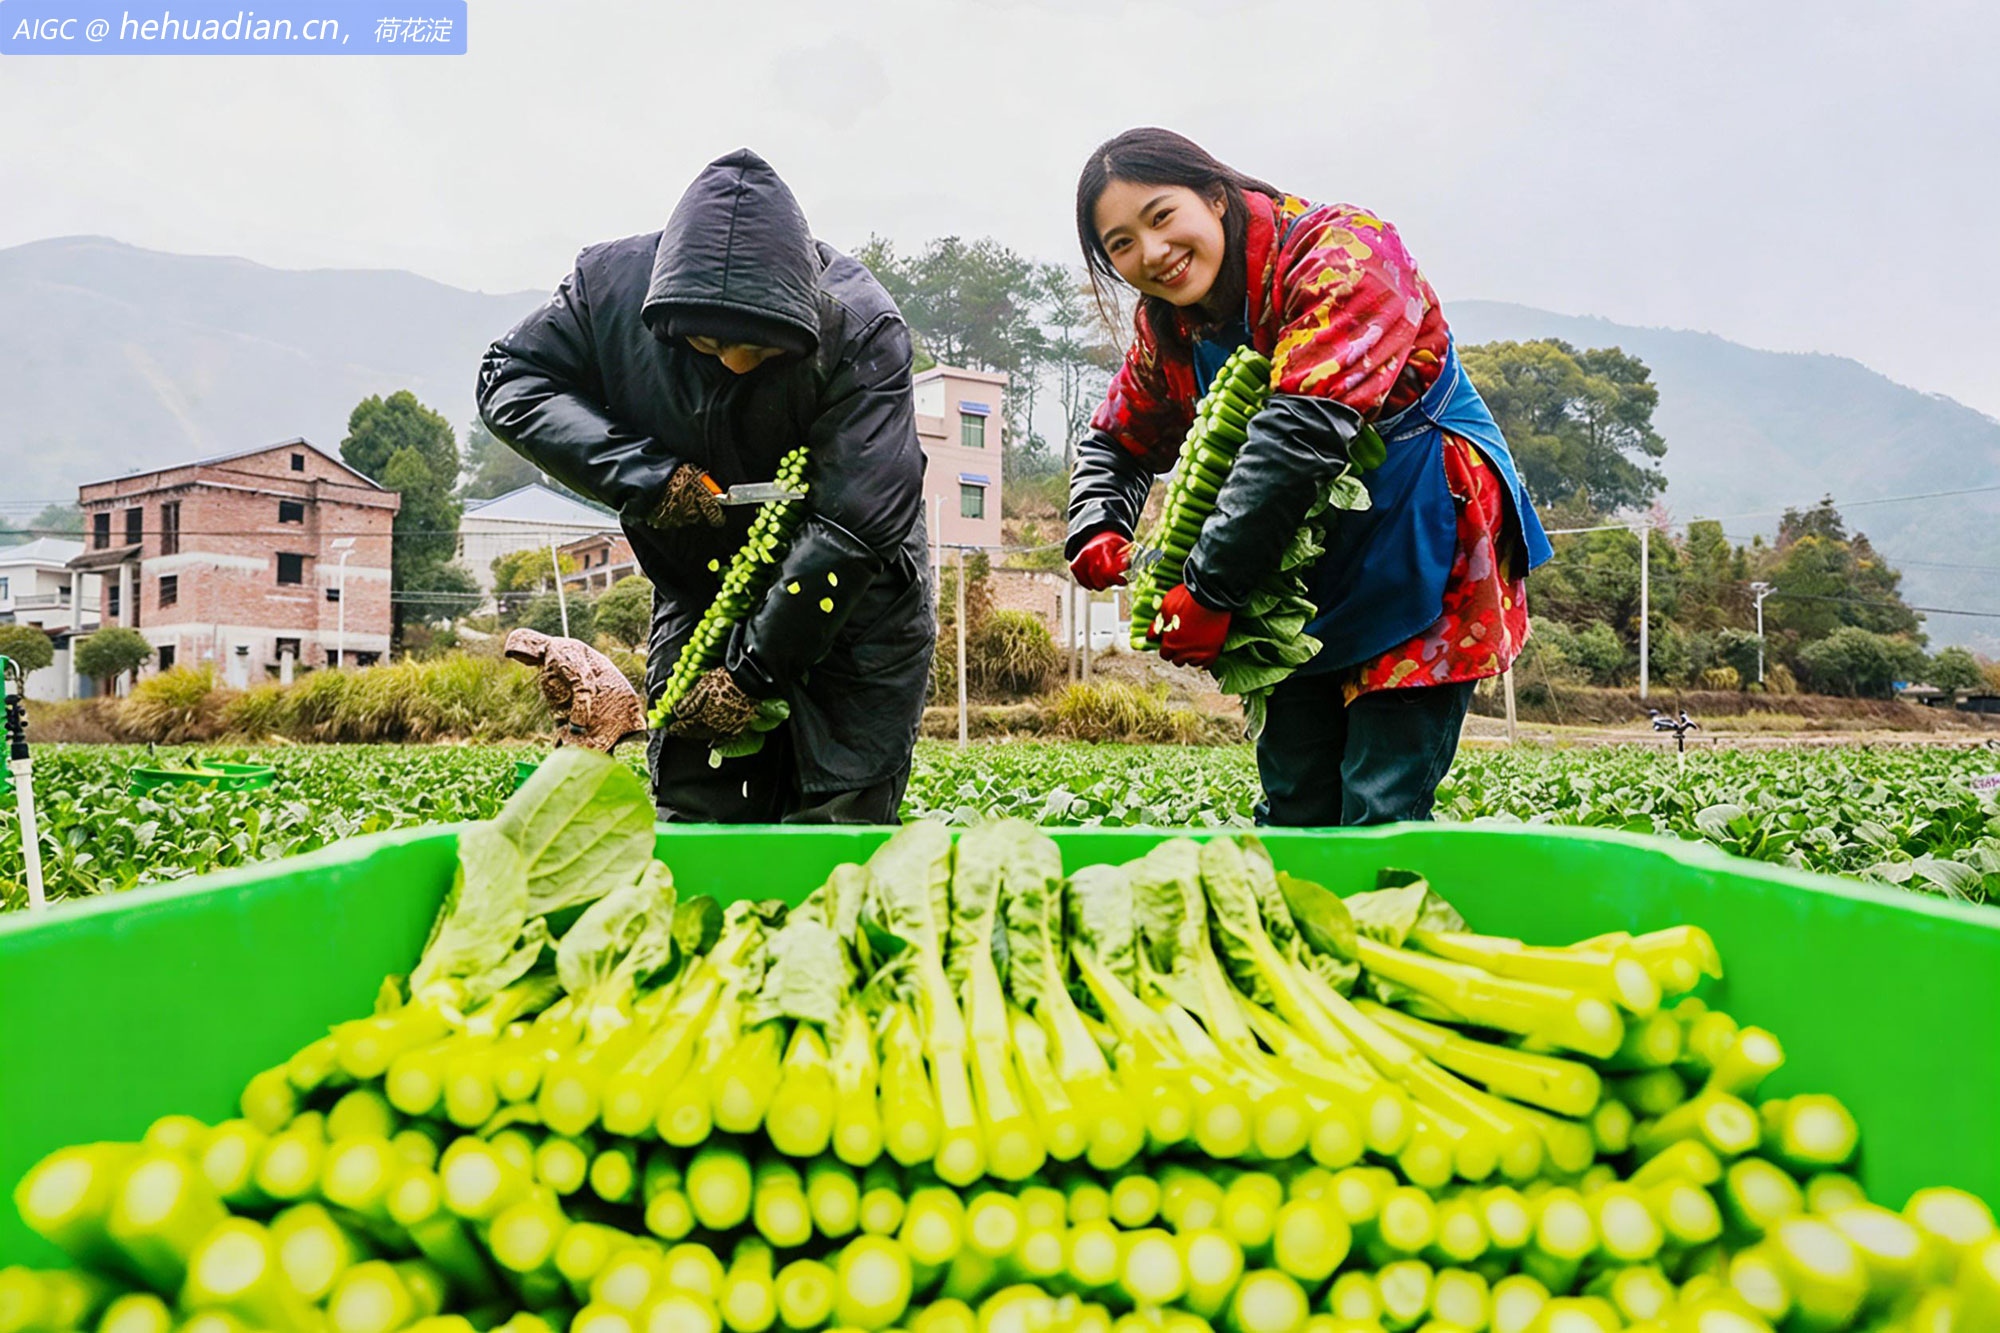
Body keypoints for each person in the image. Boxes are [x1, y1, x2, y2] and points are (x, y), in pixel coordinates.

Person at [1067, 128, 1553, 827]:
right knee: (1295, 794)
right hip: (1288, 559)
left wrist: (1208, 588)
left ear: (1216, 197)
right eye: (1121, 244)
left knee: (1379, 796)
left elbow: (1299, 433)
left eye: (1162, 215)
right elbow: (1119, 438)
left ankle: (1377, 928)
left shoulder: (1346, 252)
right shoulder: (1173, 325)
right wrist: (1098, 523)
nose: (1152, 252)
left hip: (1418, 528)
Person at [477, 149, 935, 823]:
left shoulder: (859, 326)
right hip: (699, 587)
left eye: (762, 349)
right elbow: (511, 379)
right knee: (696, 810)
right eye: (710, 345)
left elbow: (854, 524)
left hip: (855, 604)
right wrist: (645, 474)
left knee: (840, 820)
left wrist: (753, 671)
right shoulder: (608, 292)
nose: (737, 362)